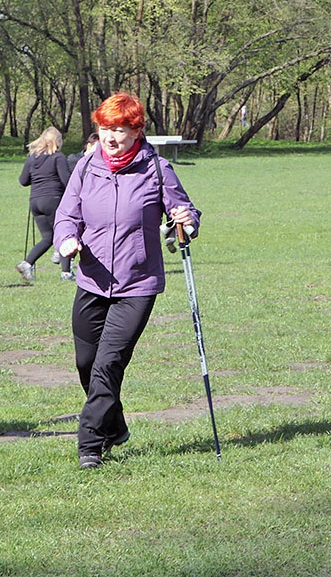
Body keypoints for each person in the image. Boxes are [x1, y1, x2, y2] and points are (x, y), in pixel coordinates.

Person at [53, 92, 201, 470]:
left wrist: (186, 220)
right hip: (92, 280)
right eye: (104, 129)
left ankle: (90, 444)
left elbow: (184, 210)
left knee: (108, 364)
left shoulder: (156, 168)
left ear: (137, 131)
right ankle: (115, 426)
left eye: (119, 130)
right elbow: (66, 215)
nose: (111, 137)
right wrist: (67, 238)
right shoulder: (86, 168)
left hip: (137, 285)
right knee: (86, 362)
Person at [17, 127, 73, 281]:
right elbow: (67, 181)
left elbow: (23, 181)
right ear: (57, 141)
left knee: (48, 238)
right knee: (64, 234)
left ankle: (27, 264)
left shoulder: (32, 158)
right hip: (53, 200)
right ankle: (66, 272)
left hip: (35, 201)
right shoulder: (58, 157)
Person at [49, 132, 102, 274]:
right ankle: (64, 264)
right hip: (66, 199)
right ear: (89, 145)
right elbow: (65, 179)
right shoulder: (75, 160)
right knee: (63, 228)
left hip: (89, 201)